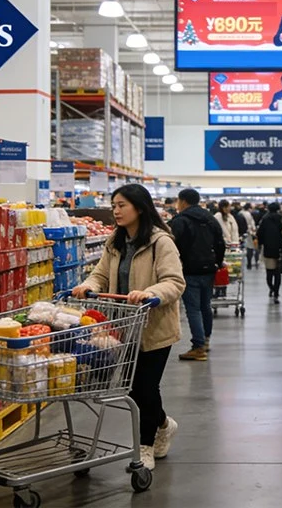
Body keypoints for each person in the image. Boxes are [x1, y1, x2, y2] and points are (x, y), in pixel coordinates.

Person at [73, 184, 185, 472]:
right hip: (122, 326)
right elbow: (100, 274)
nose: (116, 210)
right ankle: (163, 423)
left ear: (140, 207)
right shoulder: (115, 241)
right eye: (114, 205)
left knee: (144, 387)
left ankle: (144, 447)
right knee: (135, 390)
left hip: (154, 327)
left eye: (121, 205)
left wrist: (151, 292)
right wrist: (88, 286)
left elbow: (174, 281)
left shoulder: (161, 242)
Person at [169, 188, 225, 363]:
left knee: (193, 309)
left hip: (189, 270)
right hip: (208, 268)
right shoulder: (210, 219)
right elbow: (220, 243)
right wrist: (217, 261)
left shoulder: (180, 221)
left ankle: (198, 347)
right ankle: (205, 340)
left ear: (183, 201)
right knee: (205, 306)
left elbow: (170, 246)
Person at [257, 202, 282, 303]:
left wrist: (261, 244)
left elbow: (259, 233)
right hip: (280, 249)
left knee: (269, 272)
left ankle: (271, 288)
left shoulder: (264, 220)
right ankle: (276, 292)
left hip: (268, 249)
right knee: (277, 273)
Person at [240, 202, 259, 269]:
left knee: (249, 248)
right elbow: (251, 223)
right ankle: (256, 262)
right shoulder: (248, 214)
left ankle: (249, 263)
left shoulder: (241, 213)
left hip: (246, 232)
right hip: (251, 232)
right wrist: (253, 230)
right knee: (255, 247)